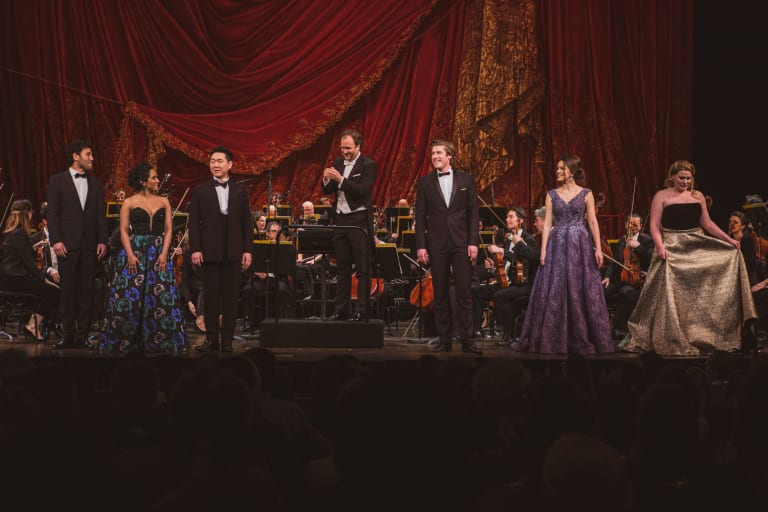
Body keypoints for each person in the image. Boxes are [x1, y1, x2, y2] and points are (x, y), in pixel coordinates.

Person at [621, 160, 757, 355]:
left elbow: (707, 223)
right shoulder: (661, 196)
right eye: (681, 178)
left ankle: (704, 333)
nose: (685, 182)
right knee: (669, 281)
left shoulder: (697, 196)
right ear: (672, 177)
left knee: (725, 259)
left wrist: (729, 240)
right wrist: (660, 246)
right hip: (671, 244)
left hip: (695, 242)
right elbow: (654, 226)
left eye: (688, 178)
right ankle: (673, 333)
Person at [512, 155, 614, 354]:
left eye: (562, 168)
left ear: (572, 171)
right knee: (556, 287)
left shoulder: (586, 193)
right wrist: (543, 251)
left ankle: (582, 335)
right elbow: (547, 224)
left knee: (579, 286)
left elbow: (593, 222)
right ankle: (554, 338)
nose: (557, 171)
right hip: (557, 244)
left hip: (580, 244)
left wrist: (599, 248)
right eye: (557, 168)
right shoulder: (551, 195)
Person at [99, 163, 187, 353]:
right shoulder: (129, 202)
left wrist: (164, 253)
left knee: (161, 296)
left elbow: (169, 230)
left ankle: (160, 340)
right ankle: (126, 340)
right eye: (154, 177)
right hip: (135, 251)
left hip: (158, 251)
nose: (157, 180)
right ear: (143, 181)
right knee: (129, 296)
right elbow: (123, 231)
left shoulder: (164, 201)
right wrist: (130, 254)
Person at [415, 139, 481, 354]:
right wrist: (421, 246)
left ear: (449, 156)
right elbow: (420, 216)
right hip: (437, 244)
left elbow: (473, 213)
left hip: (461, 242)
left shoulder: (465, 179)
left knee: (464, 293)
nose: (435, 156)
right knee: (440, 293)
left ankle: (467, 339)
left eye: (439, 153)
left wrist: (473, 242)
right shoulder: (425, 182)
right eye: (433, 153)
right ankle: (444, 339)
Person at [189, 146, 253, 352]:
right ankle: (211, 340)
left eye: (219, 161)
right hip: (209, 252)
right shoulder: (200, 191)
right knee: (210, 298)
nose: (215, 165)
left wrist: (248, 250)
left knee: (231, 299)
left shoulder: (239, 191)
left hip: (233, 252)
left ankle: (226, 341)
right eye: (212, 161)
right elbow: (193, 223)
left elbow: (246, 223)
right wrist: (196, 249)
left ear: (230, 164)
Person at [46, 140, 108, 349]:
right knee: (68, 292)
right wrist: (56, 240)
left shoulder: (96, 183)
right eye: (88, 154)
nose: (92, 158)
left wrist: (102, 240)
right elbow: (52, 214)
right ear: (75, 156)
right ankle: (68, 335)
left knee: (87, 291)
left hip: (90, 245)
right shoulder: (57, 180)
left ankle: (83, 335)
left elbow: (100, 216)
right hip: (67, 245)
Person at [321, 129, 377, 321]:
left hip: (358, 220)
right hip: (340, 220)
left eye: (348, 148)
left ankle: (362, 310)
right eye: (342, 148)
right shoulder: (338, 162)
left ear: (358, 146)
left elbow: (362, 190)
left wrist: (341, 180)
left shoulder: (368, 165)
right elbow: (329, 190)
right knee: (342, 268)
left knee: (362, 269)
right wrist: (326, 179)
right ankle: (341, 309)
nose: (344, 151)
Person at [0, 199, 61, 340]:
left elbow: (19, 256)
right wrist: (44, 279)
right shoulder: (19, 234)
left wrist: (32, 248)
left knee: (49, 290)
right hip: (16, 280)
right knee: (54, 292)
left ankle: (34, 323)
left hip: (10, 279)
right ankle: (32, 325)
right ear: (27, 214)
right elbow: (29, 264)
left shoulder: (11, 233)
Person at [470, 207, 535, 339]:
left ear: (520, 220)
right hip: (505, 282)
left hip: (519, 283)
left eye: (511, 217)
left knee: (499, 296)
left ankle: (509, 333)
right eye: (507, 217)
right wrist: (494, 267)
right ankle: (476, 330)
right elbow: (507, 266)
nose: (507, 219)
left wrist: (501, 251)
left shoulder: (528, 239)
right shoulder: (509, 239)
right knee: (474, 291)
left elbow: (524, 260)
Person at [494, 206, 545, 345]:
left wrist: (519, 244)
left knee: (499, 296)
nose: (534, 224)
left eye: (537, 220)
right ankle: (512, 333)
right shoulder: (541, 238)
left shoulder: (535, 238)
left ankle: (510, 334)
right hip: (520, 281)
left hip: (532, 284)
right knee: (500, 293)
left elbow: (534, 256)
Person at [602, 213, 655, 340]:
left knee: (625, 292)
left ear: (640, 226)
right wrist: (607, 277)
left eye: (635, 225)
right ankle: (602, 327)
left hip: (639, 283)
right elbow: (614, 262)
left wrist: (638, 247)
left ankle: (620, 331)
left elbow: (651, 259)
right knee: (602, 290)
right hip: (622, 280)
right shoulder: (622, 240)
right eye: (629, 224)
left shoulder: (647, 240)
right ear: (625, 225)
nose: (631, 227)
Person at [728, 210, 756, 279]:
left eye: (735, 222)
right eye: (730, 221)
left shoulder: (749, 240)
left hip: (745, 275)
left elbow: (746, 263)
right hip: (732, 272)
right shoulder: (729, 239)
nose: (731, 224)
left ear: (743, 226)